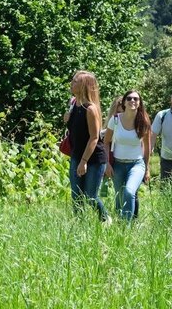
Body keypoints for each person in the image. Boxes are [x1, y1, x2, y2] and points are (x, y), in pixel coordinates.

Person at [64, 70, 108, 220]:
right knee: (76, 195)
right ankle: (79, 226)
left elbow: (94, 138)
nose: (72, 84)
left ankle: (105, 219)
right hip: (77, 155)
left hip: (94, 158)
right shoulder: (73, 103)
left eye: (75, 81)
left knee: (90, 196)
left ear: (84, 86)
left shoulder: (90, 109)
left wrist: (84, 162)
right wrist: (67, 118)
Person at [103, 89, 151, 221]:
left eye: (136, 99)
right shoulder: (115, 120)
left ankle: (127, 226)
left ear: (140, 103)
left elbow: (147, 147)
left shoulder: (144, 121)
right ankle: (120, 224)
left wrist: (147, 168)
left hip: (136, 164)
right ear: (123, 102)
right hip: (117, 164)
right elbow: (106, 142)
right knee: (119, 196)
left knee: (129, 192)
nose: (132, 101)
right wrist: (107, 163)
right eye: (129, 98)